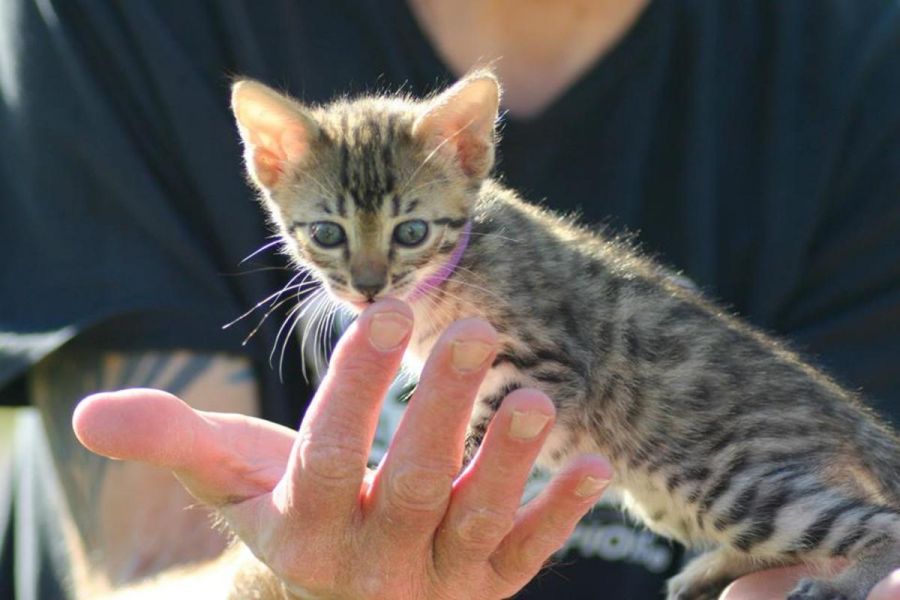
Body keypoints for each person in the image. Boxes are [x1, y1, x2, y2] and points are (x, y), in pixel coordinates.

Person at [1, 0, 899, 598]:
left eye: (407, 236)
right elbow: (142, 570)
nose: (366, 278)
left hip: (676, 422)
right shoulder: (122, 23)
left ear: (468, 156)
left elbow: (551, 379)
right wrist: (276, 583)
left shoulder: (862, 69)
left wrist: (460, 477)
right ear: (269, 165)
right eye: (326, 240)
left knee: (713, 495)